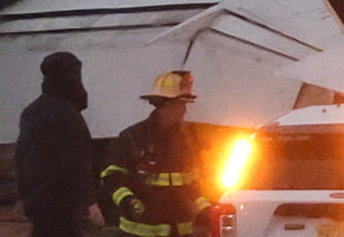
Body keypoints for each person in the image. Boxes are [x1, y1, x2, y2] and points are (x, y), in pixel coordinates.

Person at [99, 71, 214, 237]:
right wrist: (127, 201)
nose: (184, 111)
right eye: (180, 104)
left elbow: (192, 184)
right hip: (139, 233)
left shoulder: (186, 140)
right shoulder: (133, 137)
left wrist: (204, 209)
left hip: (181, 232)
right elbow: (111, 177)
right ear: (165, 106)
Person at [16, 51, 98, 237]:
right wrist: (90, 201)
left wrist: (23, 195)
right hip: (64, 202)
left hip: (38, 200)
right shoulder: (69, 115)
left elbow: (22, 156)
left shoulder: (32, 112)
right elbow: (79, 162)